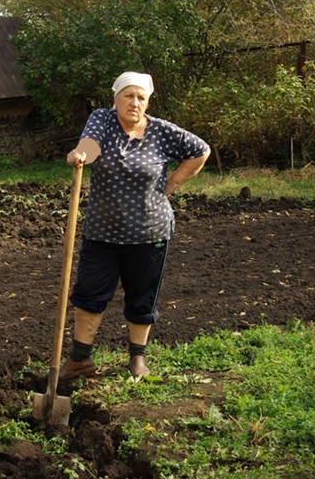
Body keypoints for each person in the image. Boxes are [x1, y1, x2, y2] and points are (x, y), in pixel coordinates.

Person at [59, 71, 211, 379]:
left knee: (142, 296)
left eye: (141, 97)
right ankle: (80, 359)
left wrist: (171, 185)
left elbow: (201, 150)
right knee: (88, 294)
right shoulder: (103, 120)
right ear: (116, 98)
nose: (135, 102)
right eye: (128, 95)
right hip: (103, 231)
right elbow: (91, 144)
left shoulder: (162, 132)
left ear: (148, 101)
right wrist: (81, 154)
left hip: (149, 232)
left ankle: (137, 358)